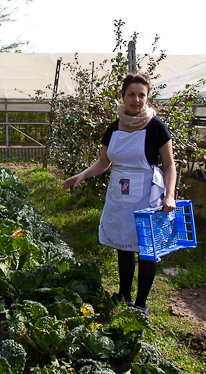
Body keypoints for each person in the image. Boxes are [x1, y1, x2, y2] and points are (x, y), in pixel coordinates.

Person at [62, 72, 176, 315]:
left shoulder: (156, 127)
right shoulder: (113, 128)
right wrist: (82, 174)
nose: (136, 100)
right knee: (124, 246)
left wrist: (169, 195)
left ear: (148, 98)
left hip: (147, 194)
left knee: (147, 250)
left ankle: (141, 304)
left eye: (141, 95)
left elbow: (169, 165)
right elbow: (104, 162)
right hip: (120, 195)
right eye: (131, 95)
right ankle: (124, 296)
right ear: (122, 96)